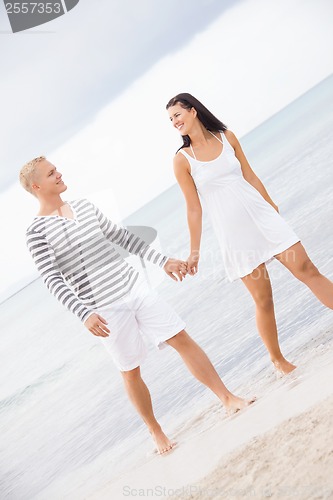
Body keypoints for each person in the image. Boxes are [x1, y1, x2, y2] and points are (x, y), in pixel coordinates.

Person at [20, 156, 254, 455]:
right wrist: (84, 313)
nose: (60, 174)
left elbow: (123, 238)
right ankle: (156, 432)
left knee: (181, 337)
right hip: (104, 309)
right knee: (130, 371)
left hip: (134, 287)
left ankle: (228, 399)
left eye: (57, 169)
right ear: (37, 185)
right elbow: (53, 279)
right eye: (52, 173)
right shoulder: (37, 232)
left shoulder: (85, 207)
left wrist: (163, 261)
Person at [166, 93, 333, 375]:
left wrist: (272, 207)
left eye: (177, 115)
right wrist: (194, 253)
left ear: (193, 111)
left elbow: (250, 176)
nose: (174, 122)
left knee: (307, 269)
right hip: (235, 235)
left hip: (262, 217)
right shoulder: (183, 160)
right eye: (170, 120)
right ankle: (277, 359)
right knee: (263, 298)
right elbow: (194, 209)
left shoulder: (226, 136)